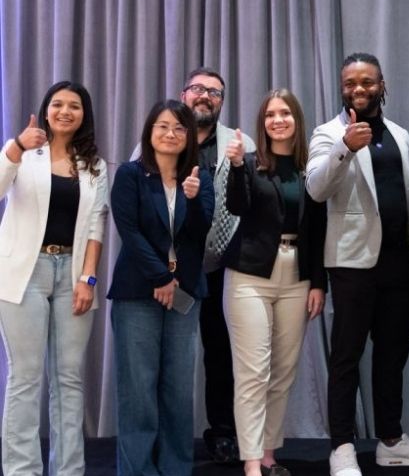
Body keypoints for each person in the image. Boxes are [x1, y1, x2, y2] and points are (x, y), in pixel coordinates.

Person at [307, 53, 409, 476]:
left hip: (398, 264)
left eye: (367, 81)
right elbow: (315, 189)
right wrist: (345, 147)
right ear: (342, 87)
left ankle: (390, 440)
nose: (358, 89)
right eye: (350, 83)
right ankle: (341, 447)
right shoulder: (328, 133)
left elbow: (401, 195)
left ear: (382, 85)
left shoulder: (399, 134)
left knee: (392, 356)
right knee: (346, 357)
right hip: (351, 264)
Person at [0, 81, 109, 476]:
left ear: (84, 115)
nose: (66, 111)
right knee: (25, 378)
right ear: (46, 111)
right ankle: (21, 470)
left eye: (75, 106)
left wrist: (89, 278)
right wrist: (15, 146)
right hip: (23, 276)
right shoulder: (23, 154)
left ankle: (69, 470)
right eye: (58, 104)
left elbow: (97, 226)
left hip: (73, 277)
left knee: (69, 379)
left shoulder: (94, 166)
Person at [223, 89, 328, 476]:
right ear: (262, 123)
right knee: (253, 373)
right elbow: (237, 206)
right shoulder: (249, 164)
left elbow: (318, 230)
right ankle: (252, 463)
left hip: (297, 276)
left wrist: (319, 282)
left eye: (285, 113)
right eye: (270, 114)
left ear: (296, 120)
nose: (278, 120)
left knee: (283, 372)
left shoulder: (309, 170)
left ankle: (269, 454)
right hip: (250, 276)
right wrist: (235, 167)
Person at [109, 100, 215, 476]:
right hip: (137, 292)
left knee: (177, 389)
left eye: (179, 128)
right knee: (138, 389)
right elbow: (130, 232)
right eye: (163, 126)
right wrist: (160, 278)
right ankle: (137, 470)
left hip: (186, 292)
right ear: (149, 132)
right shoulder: (130, 174)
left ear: (189, 137)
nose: (171, 134)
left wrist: (192, 200)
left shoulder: (199, 178)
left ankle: (174, 467)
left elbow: (201, 234)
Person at [182, 67, 257, 463]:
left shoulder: (237, 144)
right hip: (171, 270)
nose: (205, 96)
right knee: (169, 356)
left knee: (222, 355)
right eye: (198, 89)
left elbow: (248, 201)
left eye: (214, 92)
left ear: (221, 102)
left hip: (222, 267)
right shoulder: (162, 133)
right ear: (184, 94)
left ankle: (224, 432)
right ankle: (169, 434)